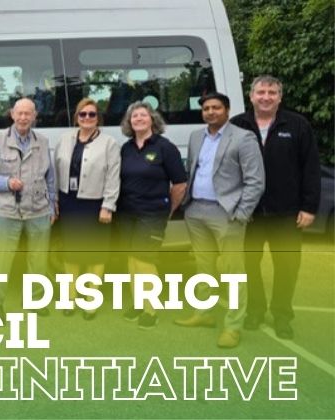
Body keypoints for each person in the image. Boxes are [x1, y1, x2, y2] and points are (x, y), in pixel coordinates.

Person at [230, 75, 321, 340]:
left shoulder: (297, 125)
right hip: (249, 214)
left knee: (287, 266)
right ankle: (255, 311)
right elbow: (228, 169)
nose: (266, 97)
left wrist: (309, 207)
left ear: (280, 97)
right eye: (261, 92)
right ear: (251, 96)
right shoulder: (237, 125)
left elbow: (311, 168)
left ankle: (282, 315)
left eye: (272, 92)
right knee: (248, 265)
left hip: (287, 213)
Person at [174, 92, 265, 349]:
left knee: (233, 272)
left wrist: (241, 214)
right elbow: (193, 169)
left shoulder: (243, 138)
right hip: (196, 211)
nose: (210, 112)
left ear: (227, 110)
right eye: (206, 108)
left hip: (226, 214)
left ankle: (233, 326)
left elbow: (255, 181)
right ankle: (203, 314)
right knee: (203, 269)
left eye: (216, 108)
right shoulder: (195, 137)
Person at [0, 98, 56, 316]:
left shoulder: (42, 140)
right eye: (19, 113)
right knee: (1, 260)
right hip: (8, 210)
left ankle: (35, 301)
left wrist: (52, 203)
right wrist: (6, 183)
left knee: (38, 259)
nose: (23, 117)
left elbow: (50, 176)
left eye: (28, 114)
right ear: (12, 114)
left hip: (38, 209)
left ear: (34, 116)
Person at [116, 101, 187, 330]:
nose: (138, 119)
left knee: (145, 261)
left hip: (152, 214)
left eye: (143, 116)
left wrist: (168, 210)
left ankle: (151, 309)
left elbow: (179, 184)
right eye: (134, 116)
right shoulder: (126, 148)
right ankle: (138, 302)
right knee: (132, 260)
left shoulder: (165, 147)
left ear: (152, 120)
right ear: (129, 122)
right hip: (127, 213)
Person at [53, 98, 121, 320]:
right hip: (69, 202)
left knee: (95, 254)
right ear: (76, 117)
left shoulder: (109, 143)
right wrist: (54, 201)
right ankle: (70, 298)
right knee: (70, 253)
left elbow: (113, 176)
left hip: (95, 204)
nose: (87, 118)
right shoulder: (64, 140)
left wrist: (108, 206)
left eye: (92, 114)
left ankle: (90, 300)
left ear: (98, 117)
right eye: (83, 114)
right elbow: (55, 171)